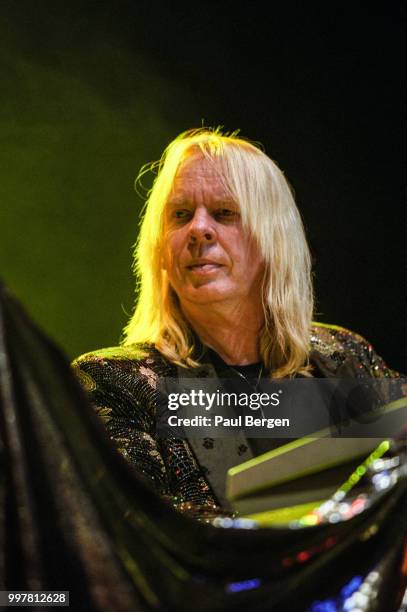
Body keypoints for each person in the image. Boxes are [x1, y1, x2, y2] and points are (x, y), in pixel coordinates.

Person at [72, 128, 402, 518]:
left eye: (225, 213)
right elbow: (147, 540)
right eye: (180, 215)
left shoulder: (345, 357)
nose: (198, 229)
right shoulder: (114, 382)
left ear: (273, 239)